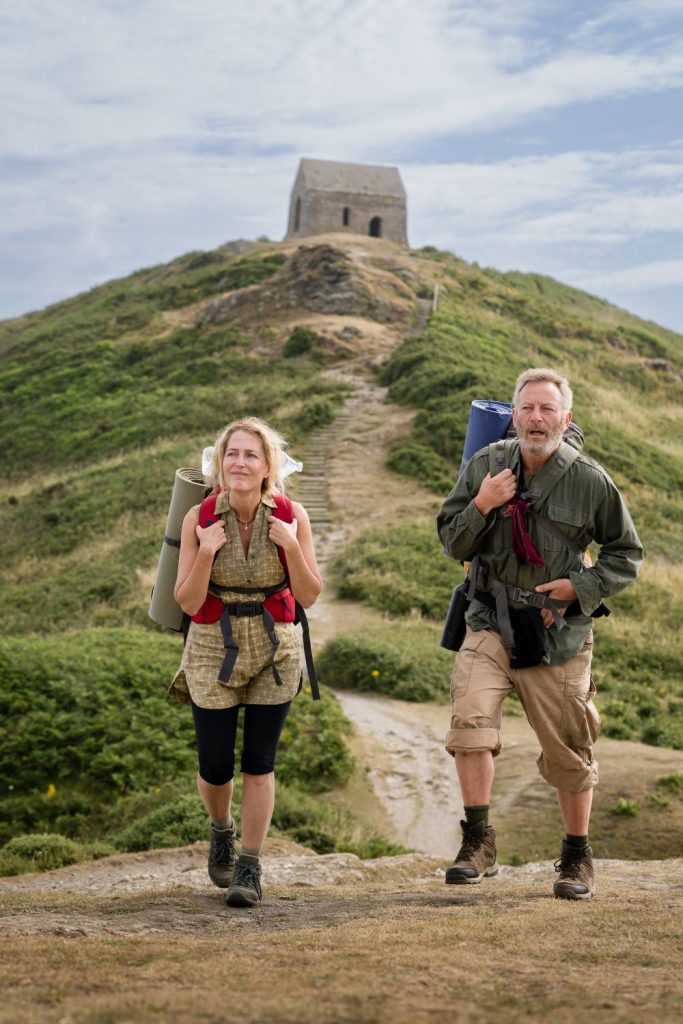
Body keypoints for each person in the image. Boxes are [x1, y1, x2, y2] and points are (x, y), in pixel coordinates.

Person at [437, 368, 642, 900]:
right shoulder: (485, 466)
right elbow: (451, 542)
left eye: (547, 409)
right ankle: (478, 841)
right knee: (470, 724)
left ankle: (576, 855)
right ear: (514, 414)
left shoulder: (590, 481)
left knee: (569, 750)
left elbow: (626, 555)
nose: (536, 418)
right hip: (489, 621)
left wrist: (581, 587)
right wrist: (482, 504)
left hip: (557, 633)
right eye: (527, 408)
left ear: (565, 418)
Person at [169, 417, 321, 908]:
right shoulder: (199, 519)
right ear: (218, 462)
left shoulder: (293, 514)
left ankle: (250, 867)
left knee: (260, 763)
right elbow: (188, 602)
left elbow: (309, 595)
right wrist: (207, 554)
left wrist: (292, 546)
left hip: (277, 647)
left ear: (267, 468)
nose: (239, 462)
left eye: (250, 455)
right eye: (231, 454)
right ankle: (221, 829)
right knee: (215, 767)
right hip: (212, 645)